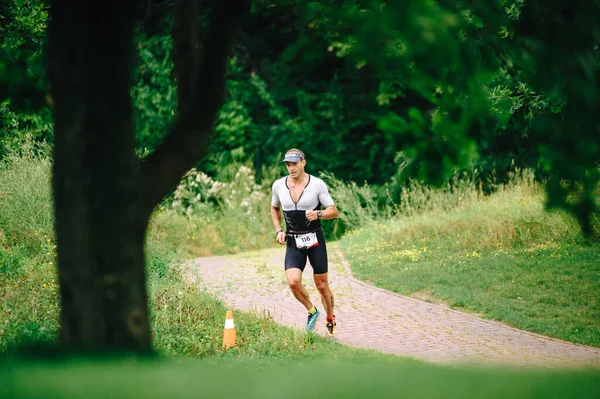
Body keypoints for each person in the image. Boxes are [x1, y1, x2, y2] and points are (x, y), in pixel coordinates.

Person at [270, 148, 339, 336]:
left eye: (294, 163)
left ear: (303, 162)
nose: (291, 168)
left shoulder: (317, 184)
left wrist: (318, 214)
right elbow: (274, 208)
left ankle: (330, 317)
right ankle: (312, 310)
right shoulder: (278, 185)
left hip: (315, 238)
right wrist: (278, 230)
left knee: (322, 285)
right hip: (293, 239)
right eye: (288, 164)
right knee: (293, 282)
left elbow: (333, 211)